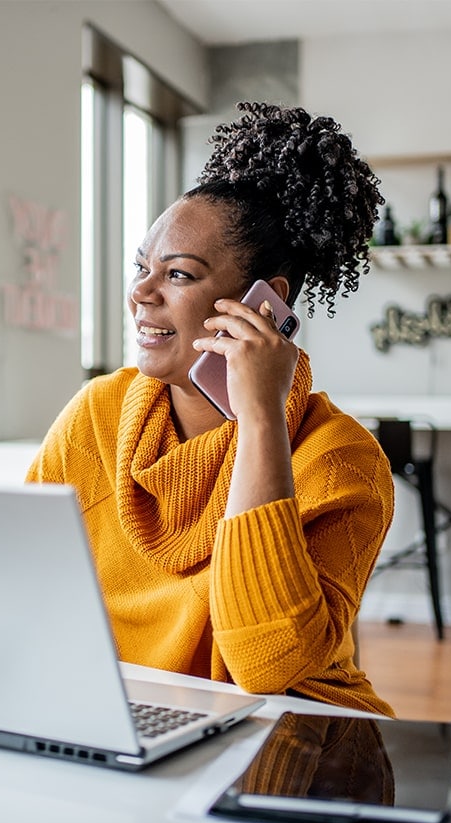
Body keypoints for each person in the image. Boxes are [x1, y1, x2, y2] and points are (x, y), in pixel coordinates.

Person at [27, 102, 394, 716]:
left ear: (264, 304)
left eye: (177, 274)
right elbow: (23, 586)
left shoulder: (342, 462)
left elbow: (268, 665)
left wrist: (260, 421)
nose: (141, 293)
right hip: (126, 716)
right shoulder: (98, 414)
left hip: (290, 733)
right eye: (142, 267)